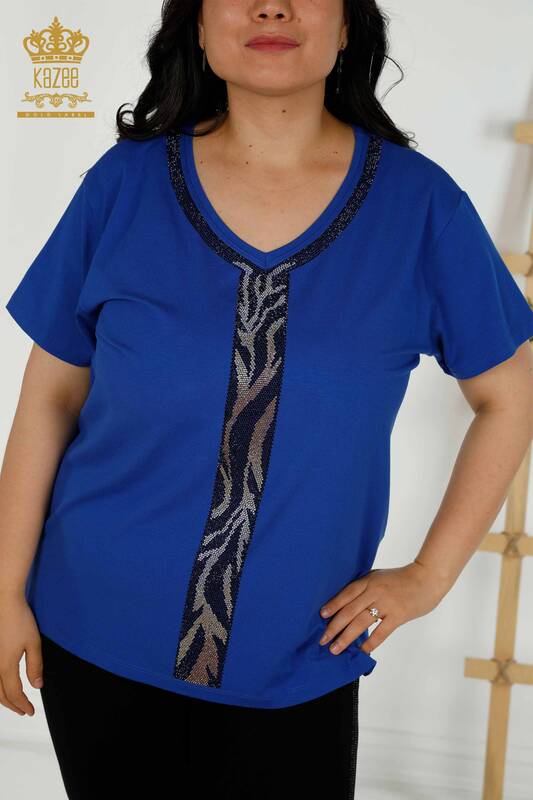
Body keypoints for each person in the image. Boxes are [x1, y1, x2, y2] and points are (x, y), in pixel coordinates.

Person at [1, 0, 533, 797]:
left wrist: (427, 575)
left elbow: (510, 394)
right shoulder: (125, 184)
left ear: (347, 26)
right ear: (197, 25)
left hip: (297, 653)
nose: (271, 5)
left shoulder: (420, 208)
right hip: (94, 628)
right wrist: (5, 590)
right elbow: (49, 398)